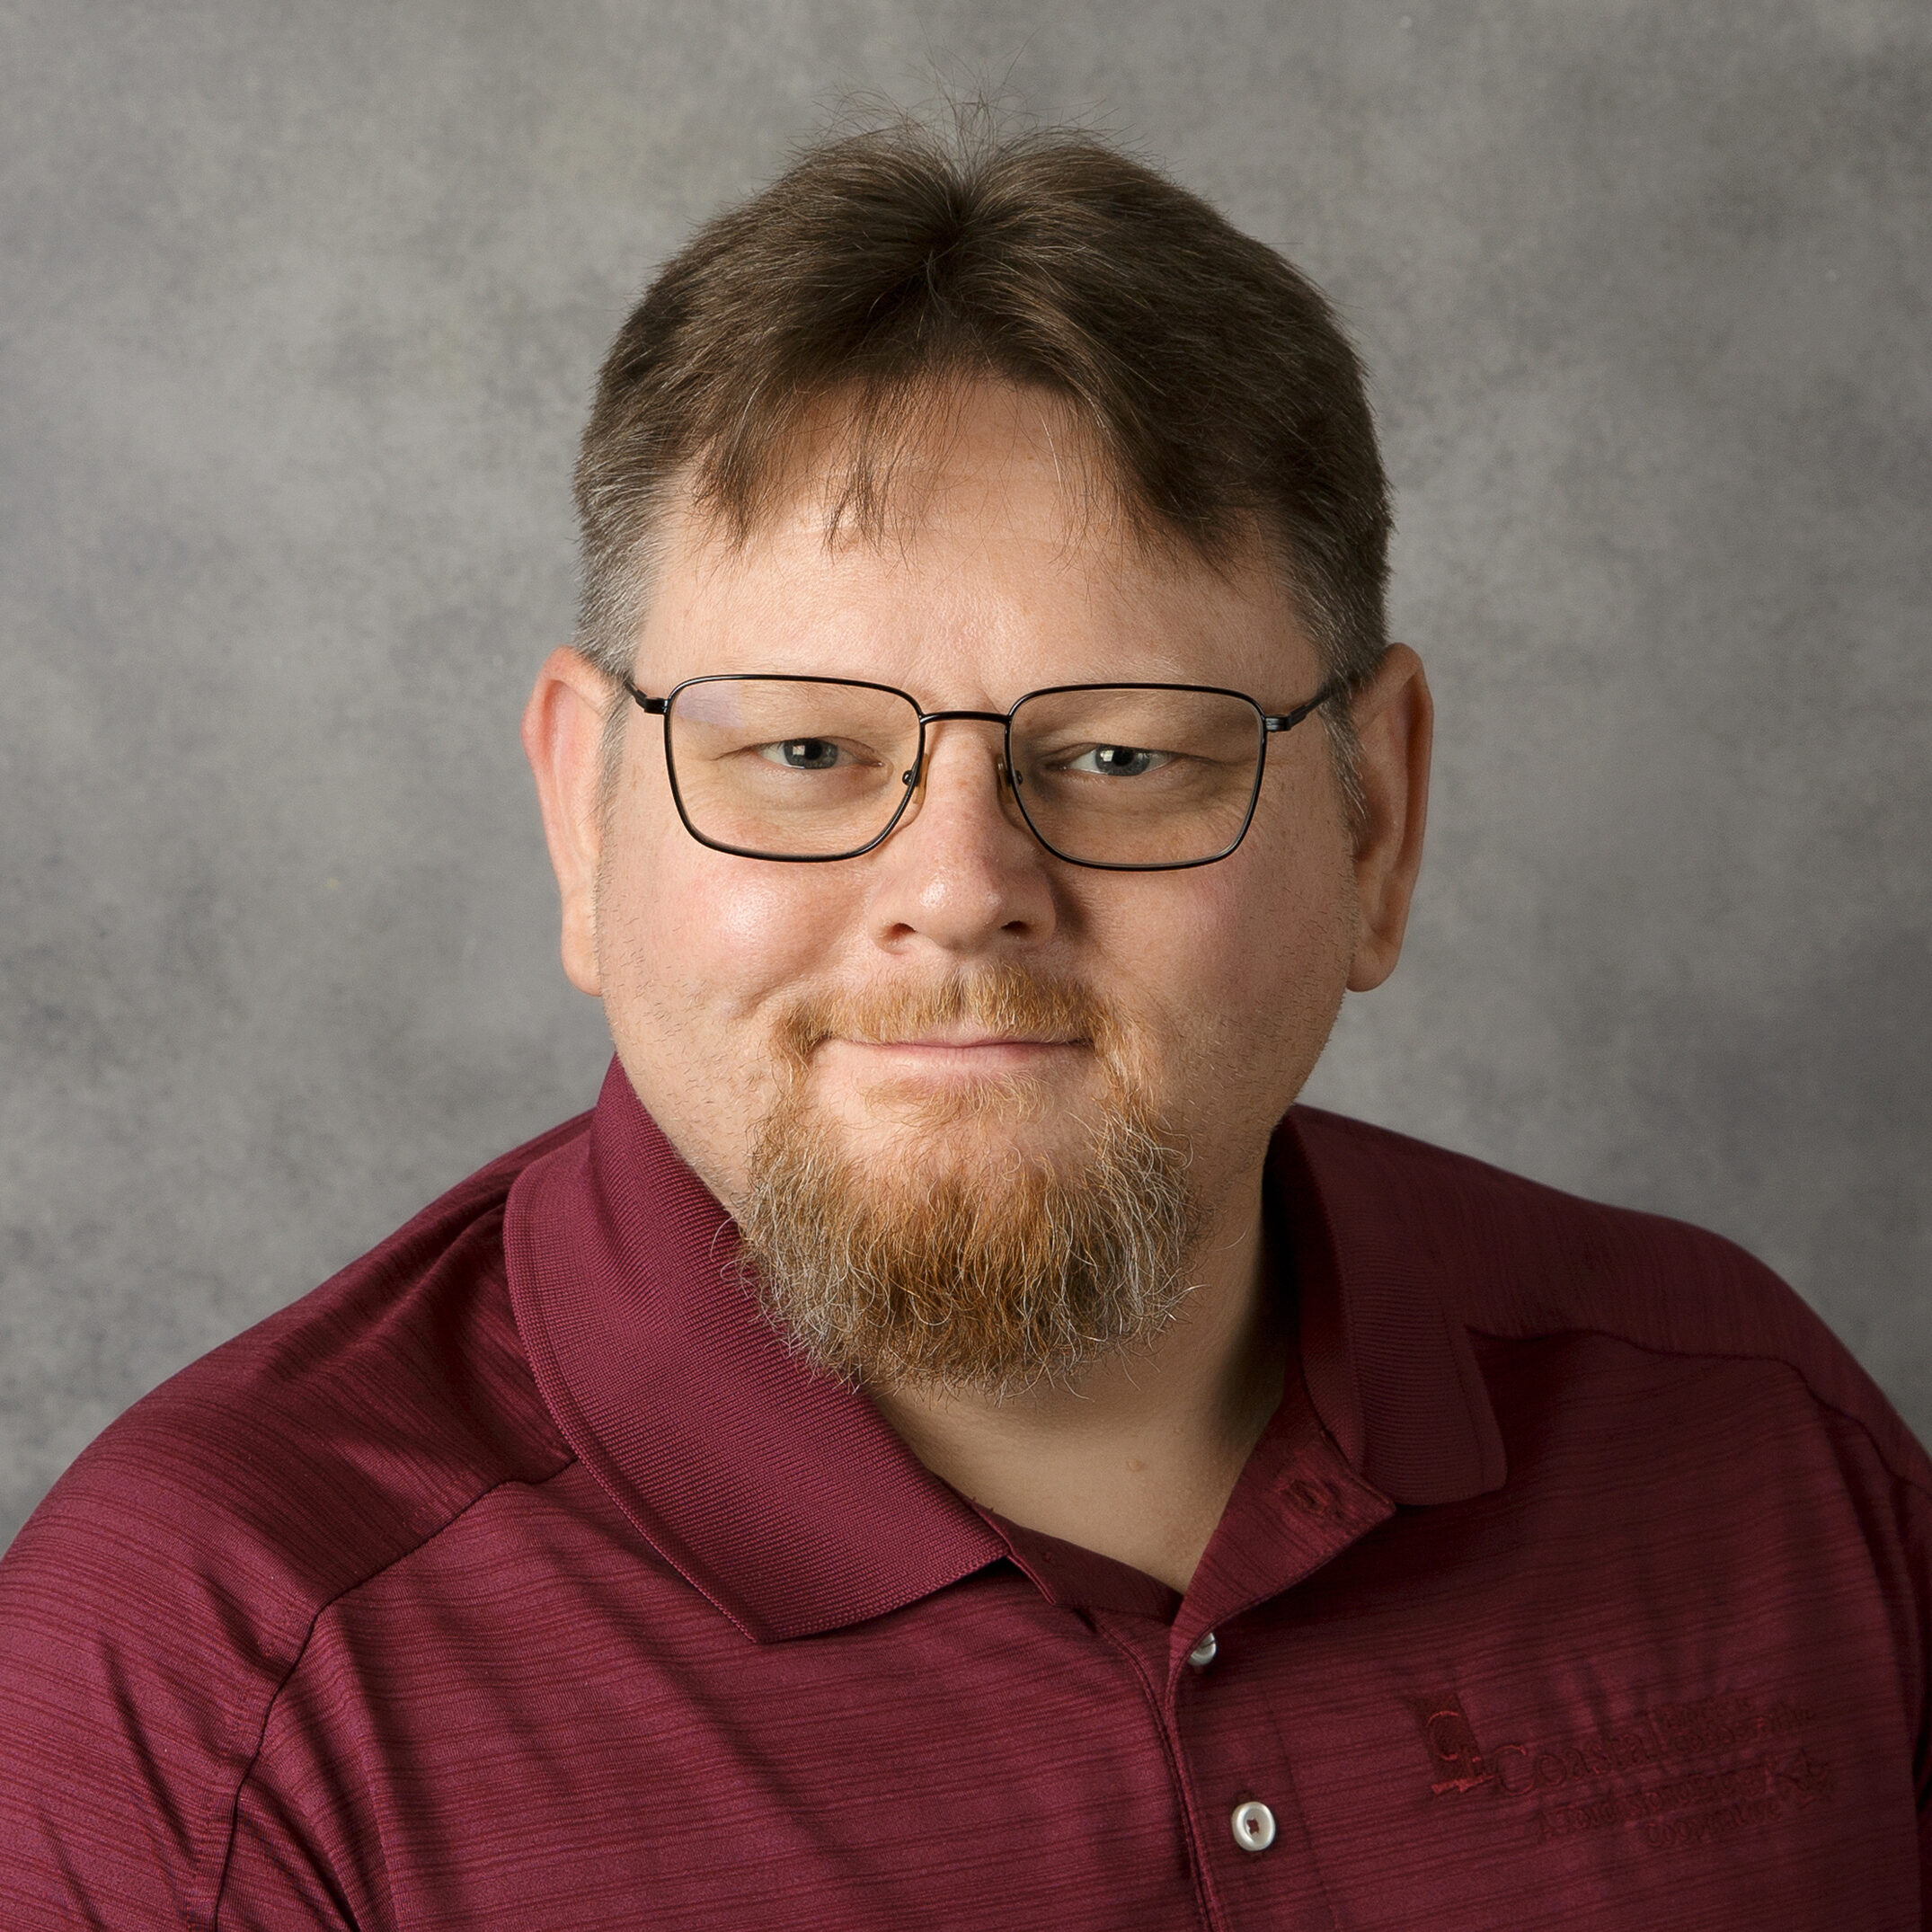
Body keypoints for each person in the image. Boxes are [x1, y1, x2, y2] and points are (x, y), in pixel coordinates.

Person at [1, 116, 1926, 1931]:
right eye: (806, 748)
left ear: (1377, 820)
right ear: (586, 819)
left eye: (1119, 752)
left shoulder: (1752, 1439)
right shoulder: (211, 1680)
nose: (961, 885)